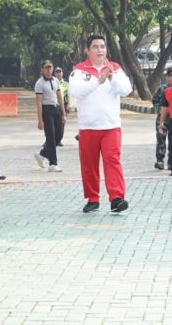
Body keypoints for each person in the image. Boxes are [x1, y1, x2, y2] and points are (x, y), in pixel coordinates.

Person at [69, 34, 132, 214]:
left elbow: (126, 90)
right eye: (95, 47)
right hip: (88, 126)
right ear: (87, 50)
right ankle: (93, 199)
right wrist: (98, 81)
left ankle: (117, 199)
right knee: (89, 165)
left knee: (112, 160)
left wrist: (111, 78)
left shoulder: (115, 68)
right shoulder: (79, 71)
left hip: (111, 126)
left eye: (102, 47)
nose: (100, 50)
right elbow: (76, 92)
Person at [34, 60, 65, 172]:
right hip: (46, 110)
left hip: (56, 109)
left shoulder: (56, 80)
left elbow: (60, 97)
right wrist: (40, 120)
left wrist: (63, 113)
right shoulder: (39, 83)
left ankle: (42, 154)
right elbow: (39, 102)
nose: (48, 70)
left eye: (50, 68)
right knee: (50, 137)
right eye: (46, 68)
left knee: (59, 136)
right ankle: (53, 163)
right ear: (42, 69)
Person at [151, 74, 168, 170]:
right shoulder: (161, 89)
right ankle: (160, 160)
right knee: (161, 138)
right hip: (162, 118)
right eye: (169, 75)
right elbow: (155, 100)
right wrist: (160, 110)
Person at [54, 67, 68, 146]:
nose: (58, 73)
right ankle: (49, 140)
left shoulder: (66, 84)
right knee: (52, 124)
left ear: (62, 73)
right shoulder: (52, 83)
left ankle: (59, 140)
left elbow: (69, 95)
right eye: (57, 72)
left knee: (62, 124)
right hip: (54, 105)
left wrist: (69, 106)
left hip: (64, 105)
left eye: (60, 72)